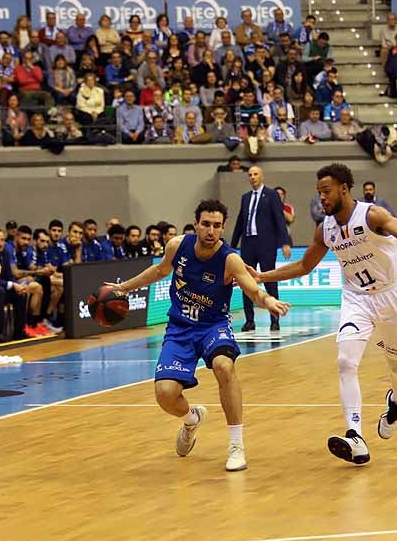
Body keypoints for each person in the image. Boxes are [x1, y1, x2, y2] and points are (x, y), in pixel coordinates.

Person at [253, 164, 397, 465]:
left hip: (392, 296)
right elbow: (304, 266)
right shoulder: (325, 229)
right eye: (319, 193)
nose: (322, 198)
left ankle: (396, 399)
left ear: (344, 189)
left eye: (327, 191)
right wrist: (263, 277)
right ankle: (355, 435)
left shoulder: (372, 216)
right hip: (356, 298)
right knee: (345, 361)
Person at [105, 199, 289, 472]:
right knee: (165, 394)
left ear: (223, 229)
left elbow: (251, 288)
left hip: (213, 327)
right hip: (180, 328)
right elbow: (158, 271)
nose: (211, 231)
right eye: (206, 224)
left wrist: (266, 299)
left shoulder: (230, 259)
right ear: (196, 225)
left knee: (223, 366)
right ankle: (192, 419)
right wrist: (124, 287)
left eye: (216, 226)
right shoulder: (177, 246)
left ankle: (236, 445)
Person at [229, 166, 292, 332]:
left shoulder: (271, 195)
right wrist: (231, 247)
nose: (252, 177)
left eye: (255, 174)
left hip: (266, 244)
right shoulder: (245, 197)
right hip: (248, 243)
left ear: (262, 176)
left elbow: (279, 219)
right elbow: (239, 223)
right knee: (245, 280)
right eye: (250, 175)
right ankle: (249, 320)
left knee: (270, 279)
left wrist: (284, 242)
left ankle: (275, 318)